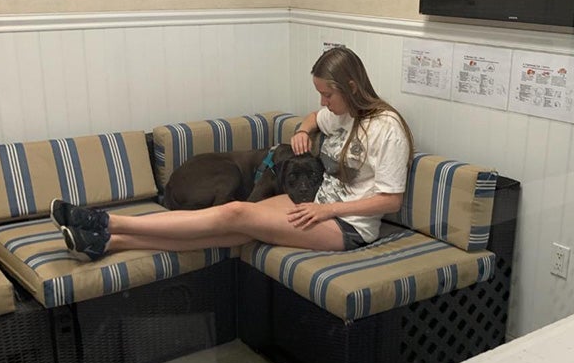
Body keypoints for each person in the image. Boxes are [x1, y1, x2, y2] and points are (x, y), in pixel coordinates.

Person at [51, 47, 415, 261]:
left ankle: (108, 223)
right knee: (233, 227)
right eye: (319, 94)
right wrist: (305, 129)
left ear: (352, 86)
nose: (323, 103)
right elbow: (312, 119)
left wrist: (328, 209)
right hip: (314, 206)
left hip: (346, 227)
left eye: (327, 95)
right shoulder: (340, 113)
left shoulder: (386, 128)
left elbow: (390, 200)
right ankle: (109, 243)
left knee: (236, 212)